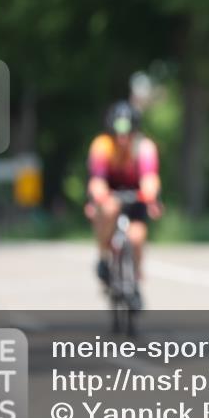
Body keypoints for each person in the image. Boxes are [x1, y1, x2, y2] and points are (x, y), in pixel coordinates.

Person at [86, 100, 161, 307]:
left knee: (136, 238)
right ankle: (104, 257)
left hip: (136, 197)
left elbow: (150, 177)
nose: (122, 137)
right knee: (109, 209)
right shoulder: (102, 145)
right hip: (109, 194)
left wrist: (150, 194)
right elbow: (97, 179)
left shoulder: (144, 147)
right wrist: (99, 195)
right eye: (117, 131)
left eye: (127, 131)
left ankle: (134, 280)